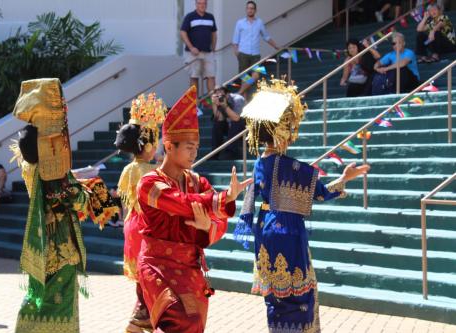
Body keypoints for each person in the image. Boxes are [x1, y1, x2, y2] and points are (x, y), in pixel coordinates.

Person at [234, 79, 370, 332]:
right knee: (300, 297)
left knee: (275, 297)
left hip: (264, 231)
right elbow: (320, 193)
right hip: (288, 232)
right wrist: (344, 178)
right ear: (282, 130)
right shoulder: (291, 167)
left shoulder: (259, 163)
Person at [136, 85, 252, 333]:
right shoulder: (149, 184)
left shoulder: (198, 182)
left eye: (196, 147)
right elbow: (180, 203)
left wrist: (208, 226)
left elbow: (219, 224)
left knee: (194, 323)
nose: (194, 153)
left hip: (189, 267)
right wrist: (223, 200)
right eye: (188, 147)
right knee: (180, 318)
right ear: (168, 146)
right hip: (158, 264)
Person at [11, 78, 119, 333]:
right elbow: (77, 199)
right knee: (59, 305)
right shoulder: (54, 177)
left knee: (39, 300)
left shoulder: (32, 169)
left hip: (43, 249)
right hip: (61, 250)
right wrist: (99, 193)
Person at [114, 93, 166, 333]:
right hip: (146, 226)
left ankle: (143, 318)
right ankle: (140, 319)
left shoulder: (128, 169)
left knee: (141, 277)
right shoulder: (152, 170)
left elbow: (125, 200)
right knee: (152, 276)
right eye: (155, 141)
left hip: (131, 223)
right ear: (147, 144)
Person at [232, 1, 279, 97]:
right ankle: (244, 102)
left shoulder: (259, 22)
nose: (250, 10)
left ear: (255, 10)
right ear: (246, 9)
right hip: (243, 54)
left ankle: (238, 93)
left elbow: (266, 37)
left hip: (255, 55)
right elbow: (235, 40)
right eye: (248, 8)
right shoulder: (240, 23)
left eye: (252, 8)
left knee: (256, 75)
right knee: (244, 79)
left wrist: (276, 46)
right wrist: (237, 53)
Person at [180, 0, 218, 93]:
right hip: (194, 53)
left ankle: (212, 104)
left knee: (211, 76)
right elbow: (182, 32)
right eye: (200, 3)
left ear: (206, 4)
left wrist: (213, 47)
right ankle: (195, 105)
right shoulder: (190, 16)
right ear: (196, 4)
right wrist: (191, 47)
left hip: (208, 52)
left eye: (204, 3)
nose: (202, 5)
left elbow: (214, 33)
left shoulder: (210, 17)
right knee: (194, 77)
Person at [211, 86, 246, 160]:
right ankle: (214, 153)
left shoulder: (238, 99)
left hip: (244, 130)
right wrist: (214, 104)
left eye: (222, 96)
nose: (220, 98)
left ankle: (231, 152)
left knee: (236, 122)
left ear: (227, 94)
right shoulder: (219, 102)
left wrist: (225, 106)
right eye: (217, 96)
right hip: (230, 128)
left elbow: (237, 118)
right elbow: (219, 119)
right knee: (217, 124)